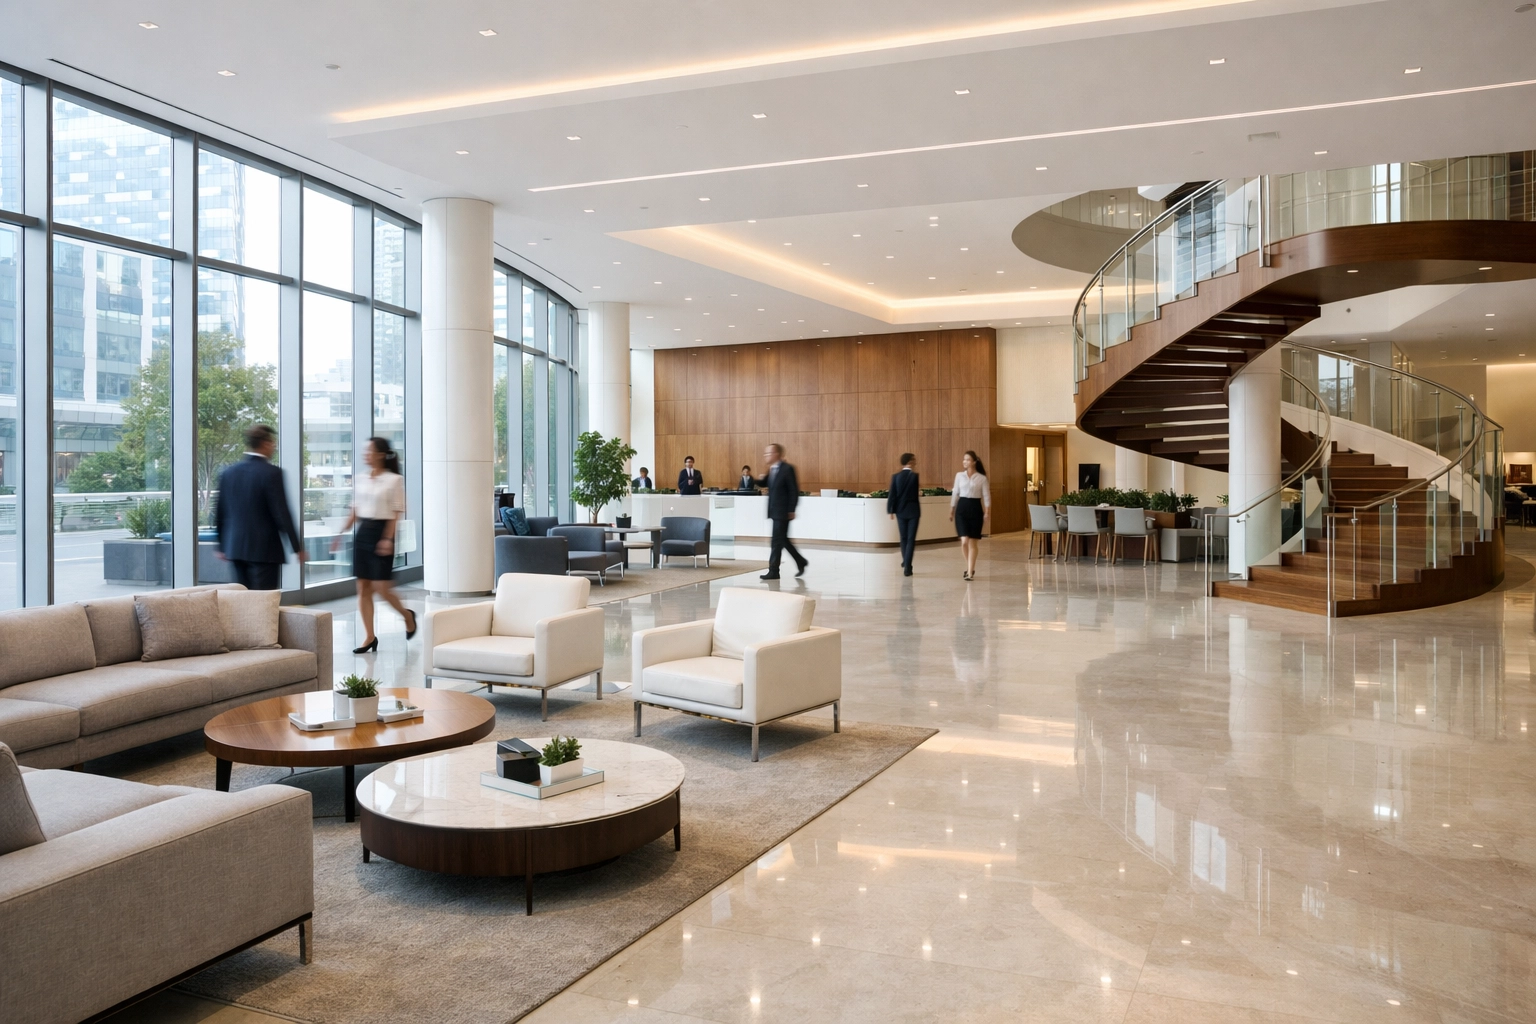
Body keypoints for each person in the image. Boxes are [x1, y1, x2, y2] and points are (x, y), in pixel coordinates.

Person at [332, 437, 416, 654]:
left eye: (369, 451)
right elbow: (355, 510)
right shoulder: (359, 478)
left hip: (382, 533)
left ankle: (407, 616)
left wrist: (388, 539)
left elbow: (397, 513)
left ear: (380, 454)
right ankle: (369, 636)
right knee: (363, 588)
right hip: (363, 534)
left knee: (382, 588)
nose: (365, 455)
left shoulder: (394, 480)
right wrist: (340, 532)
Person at [214, 424, 306, 590]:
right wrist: (297, 547)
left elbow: (220, 511)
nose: (274, 447)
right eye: (273, 443)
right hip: (265, 551)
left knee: (243, 600)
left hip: (235, 549)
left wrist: (221, 545)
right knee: (264, 603)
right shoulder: (271, 473)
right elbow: (282, 513)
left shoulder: (228, 473)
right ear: (265, 443)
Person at [757, 443, 807, 580]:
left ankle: (774, 570)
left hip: (783, 512)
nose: (766, 456)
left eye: (768, 453)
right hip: (774, 511)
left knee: (776, 542)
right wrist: (754, 479)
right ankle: (800, 561)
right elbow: (764, 483)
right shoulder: (772, 469)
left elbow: (793, 491)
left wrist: (792, 509)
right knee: (782, 540)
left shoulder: (787, 469)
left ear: (776, 454)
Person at [949, 450, 991, 581]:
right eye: (964, 459)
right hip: (962, 508)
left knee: (972, 542)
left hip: (975, 509)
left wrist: (987, 512)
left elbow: (986, 496)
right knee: (964, 541)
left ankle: (970, 572)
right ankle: (969, 567)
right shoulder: (959, 476)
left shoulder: (982, 478)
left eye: (967, 459)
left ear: (974, 461)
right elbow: (955, 493)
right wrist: (951, 510)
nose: (964, 462)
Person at [887, 452, 921, 576]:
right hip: (913, 511)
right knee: (911, 539)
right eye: (914, 460)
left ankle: (905, 561)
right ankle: (908, 566)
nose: (916, 462)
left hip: (900, 511)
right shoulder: (915, 476)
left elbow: (892, 495)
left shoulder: (896, 476)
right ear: (910, 462)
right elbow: (915, 494)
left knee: (903, 538)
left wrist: (890, 510)